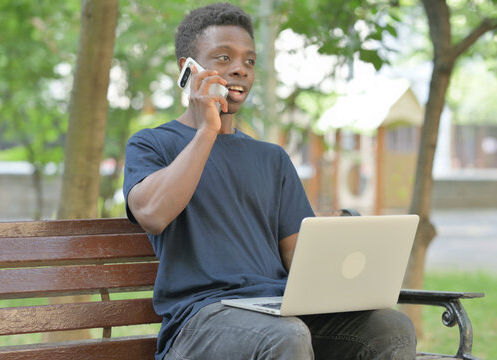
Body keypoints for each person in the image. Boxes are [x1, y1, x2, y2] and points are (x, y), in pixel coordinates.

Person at [123, 3, 416, 359]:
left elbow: (296, 253)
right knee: (284, 335)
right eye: (223, 58)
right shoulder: (152, 143)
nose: (239, 69)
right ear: (188, 70)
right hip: (200, 320)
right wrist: (207, 130)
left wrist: (352, 267)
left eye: (249, 61)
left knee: (390, 327)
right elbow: (152, 214)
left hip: (275, 310)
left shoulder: (271, 158)